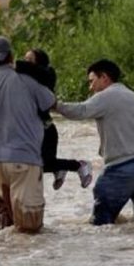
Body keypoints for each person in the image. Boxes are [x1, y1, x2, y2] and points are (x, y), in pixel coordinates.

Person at [0, 36, 56, 232]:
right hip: (24, 160)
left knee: (5, 223)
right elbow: (51, 102)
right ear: (11, 56)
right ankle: (31, 263)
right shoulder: (27, 80)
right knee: (29, 229)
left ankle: (6, 262)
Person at [54, 59, 134, 225]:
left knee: (100, 224)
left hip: (121, 169)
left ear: (104, 78)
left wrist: (54, 105)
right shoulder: (132, 95)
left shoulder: (106, 96)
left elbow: (80, 111)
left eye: (92, 81)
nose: (90, 87)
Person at [16, 48, 93, 190]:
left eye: (30, 60)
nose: (25, 63)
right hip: (34, 130)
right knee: (31, 165)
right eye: (24, 59)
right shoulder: (25, 79)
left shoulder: (46, 75)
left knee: (41, 164)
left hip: (46, 130)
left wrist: (13, 65)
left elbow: (33, 70)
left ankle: (79, 165)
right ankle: (59, 168)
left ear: (39, 62)